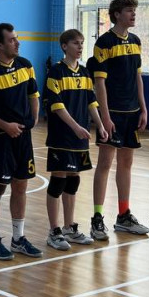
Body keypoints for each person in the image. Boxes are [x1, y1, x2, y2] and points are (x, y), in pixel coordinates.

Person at [0, 22, 42, 260]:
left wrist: (34, 118)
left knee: (21, 185)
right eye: (12, 40)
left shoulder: (25, 65)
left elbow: (33, 94)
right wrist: (5, 125)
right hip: (1, 138)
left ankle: (18, 238)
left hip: (23, 137)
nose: (17, 42)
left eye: (17, 38)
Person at [90, 0, 149, 238]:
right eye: (129, 11)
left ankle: (124, 215)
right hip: (112, 112)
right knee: (105, 164)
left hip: (132, 112)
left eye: (134, 10)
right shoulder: (104, 42)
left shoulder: (135, 41)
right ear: (116, 14)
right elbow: (99, 83)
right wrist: (104, 116)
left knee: (126, 164)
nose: (133, 14)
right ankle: (97, 218)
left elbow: (137, 78)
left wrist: (143, 108)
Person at [43, 30, 108, 251]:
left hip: (80, 136)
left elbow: (91, 101)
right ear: (64, 46)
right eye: (75, 43)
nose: (80, 47)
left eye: (82, 43)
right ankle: (54, 230)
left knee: (73, 180)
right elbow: (56, 105)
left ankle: (69, 227)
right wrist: (76, 127)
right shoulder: (56, 72)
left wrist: (100, 125)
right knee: (58, 181)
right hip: (62, 136)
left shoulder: (84, 72)